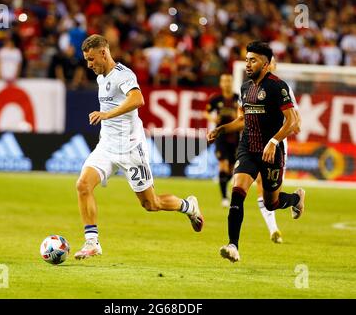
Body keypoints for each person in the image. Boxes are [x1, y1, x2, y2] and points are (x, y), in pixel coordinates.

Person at [74, 34, 204, 259]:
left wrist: (106, 114)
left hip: (131, 149)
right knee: (83, 185)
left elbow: (137, 100)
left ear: (104, 53)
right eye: (87, 60)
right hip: (106, 146)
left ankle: (188, 206)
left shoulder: (124, 75)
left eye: (91, 59)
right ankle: (92, 242)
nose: (89, 65)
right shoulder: (100, 78)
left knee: (151, 204)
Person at [207, 41, 304, 263]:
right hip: (248, 148)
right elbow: (242, 120)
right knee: (238, 191)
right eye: (247, 59)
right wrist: (221, 129)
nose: (248, 64)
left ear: (266, 63)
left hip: (271, 152)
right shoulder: (245, 88)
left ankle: (297, 198)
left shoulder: (278, 87)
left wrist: (273, 141)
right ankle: (233, 245)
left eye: (253, 60)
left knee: (271, 202)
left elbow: (293, 121)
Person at [256, 56, 302, 244]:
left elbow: (296, 121)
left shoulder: (283, 88)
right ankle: (273, 229)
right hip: (255, 144)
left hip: (276, 144)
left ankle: (296, 198)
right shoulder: (250, 87)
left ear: (272, 66)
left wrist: (284, 131)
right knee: (258, 181)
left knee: (272, 195)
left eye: (270, 62)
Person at [204, 73, 240, 207]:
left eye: (229, 81)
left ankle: (223, 183)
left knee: (231, 169)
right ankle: (224, 197)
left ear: (232, 82)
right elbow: (206, 112)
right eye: (224, 81)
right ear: (220, 83)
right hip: (221, 137)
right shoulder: (216, 99)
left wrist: (235, 115)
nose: (226, 83)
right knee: (223, 165)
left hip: (235, 137)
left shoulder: (238, 98)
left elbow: (244, 114)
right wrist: (212, 119)